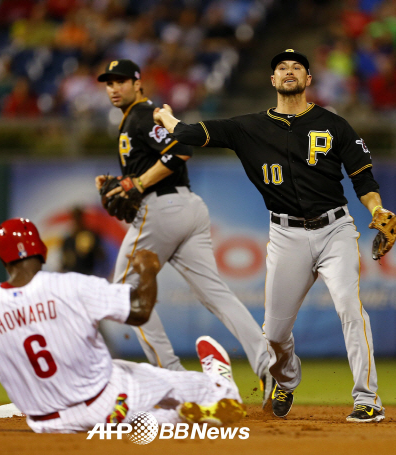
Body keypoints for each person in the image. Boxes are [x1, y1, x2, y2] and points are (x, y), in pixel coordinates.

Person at [154, 49, 396, 423]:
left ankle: (368, 399)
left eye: (297, 67)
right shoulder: (247, 127)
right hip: (285, 236)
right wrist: (166, 117)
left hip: (335, 230)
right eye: (282, 67)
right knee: (275, 335)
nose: (289, 70)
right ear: (273, 80)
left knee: (350, 308)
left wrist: (377, 210)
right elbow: (188, 133)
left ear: (308, 79)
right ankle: (286, 380)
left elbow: (363, 177)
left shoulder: (334, 124)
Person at [0, 217, 245, 432]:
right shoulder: (70, 286)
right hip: (106, 400)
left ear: (1, 260)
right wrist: (147, 268)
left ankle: (172, 417)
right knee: (162, 380)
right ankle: (220, 389)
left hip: (48, 424)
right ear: (42, 251)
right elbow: (140, 311)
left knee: (137, 403)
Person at [95, 59, 273, 404]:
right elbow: (147, 168)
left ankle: (174, 379)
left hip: (163, 209)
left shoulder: (143, 115)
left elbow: (181, 149)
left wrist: (138, 183)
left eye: (121, 81)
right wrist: (122, 181)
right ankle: (269, 364)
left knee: (125, 293)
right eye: (109, 82)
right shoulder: (135, 118)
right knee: (216, 294)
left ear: (138, 83)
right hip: (188, 208)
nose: (114, 88)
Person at [61, 206, 106, 276]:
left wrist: (92, 247)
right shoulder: (68, 240)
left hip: (89, 275)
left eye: (78, 217)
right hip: (73, 276)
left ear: (82, 218)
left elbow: (102, 256)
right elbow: (65, 262)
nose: (77, 220)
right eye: (75, 218)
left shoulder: (91, 235)